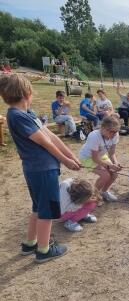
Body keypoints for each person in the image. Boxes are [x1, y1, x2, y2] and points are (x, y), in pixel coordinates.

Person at [0, 74, 80, 263]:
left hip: (41, 169)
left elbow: (51, 136)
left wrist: (70, 154)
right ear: (27, 93)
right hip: (42, 170)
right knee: (48, 210)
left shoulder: (28, 113)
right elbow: (45, 143)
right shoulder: (16, 115)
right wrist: (65, 160)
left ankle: (30, 243)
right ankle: (44, 250)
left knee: (38, 207)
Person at [79, 116, 122, 202]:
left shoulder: (115, 135)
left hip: (101, 156)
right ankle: (94, 196)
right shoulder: (94, 136)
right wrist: (110, 165)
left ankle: (104, 192)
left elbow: (112, 153)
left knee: (114, 173)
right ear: (102, 128)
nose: (113, 134)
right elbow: (95, 159)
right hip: (87, 157)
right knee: (105, 175)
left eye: (116, 131)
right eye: (111, 131)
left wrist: (115, 163)